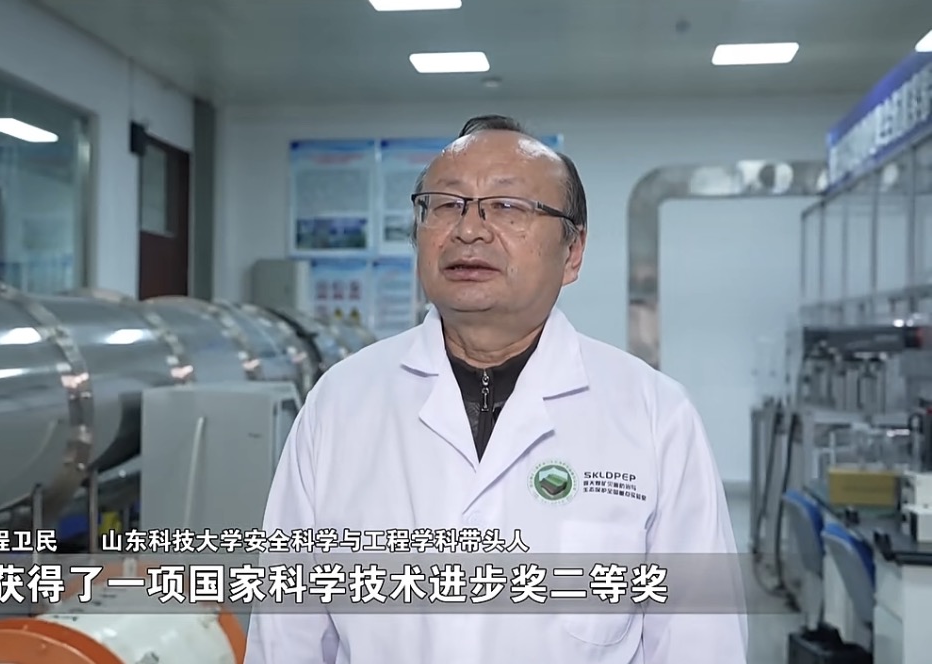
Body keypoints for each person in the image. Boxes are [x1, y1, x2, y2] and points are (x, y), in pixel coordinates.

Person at [243, 115, 746, 663]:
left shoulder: (654, 414)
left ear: (573, 251)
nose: (469, 230)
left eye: (507, 207)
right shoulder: (341, 402)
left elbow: (701, 640)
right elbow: (286, 632)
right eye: (445, 205)